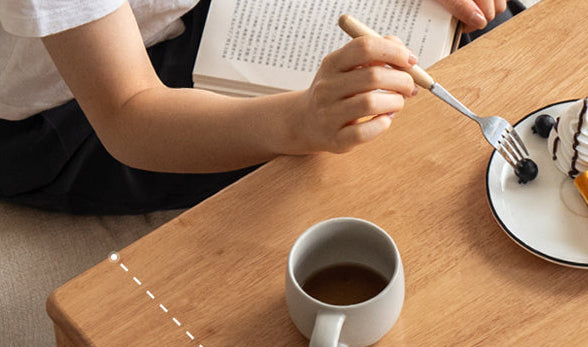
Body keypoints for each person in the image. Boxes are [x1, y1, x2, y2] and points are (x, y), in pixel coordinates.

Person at [0, 0, 507, 214]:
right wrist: (299, 122)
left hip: (191, 15)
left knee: (486, 33)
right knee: (370, 150)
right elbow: (126, 113)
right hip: (68, 114)